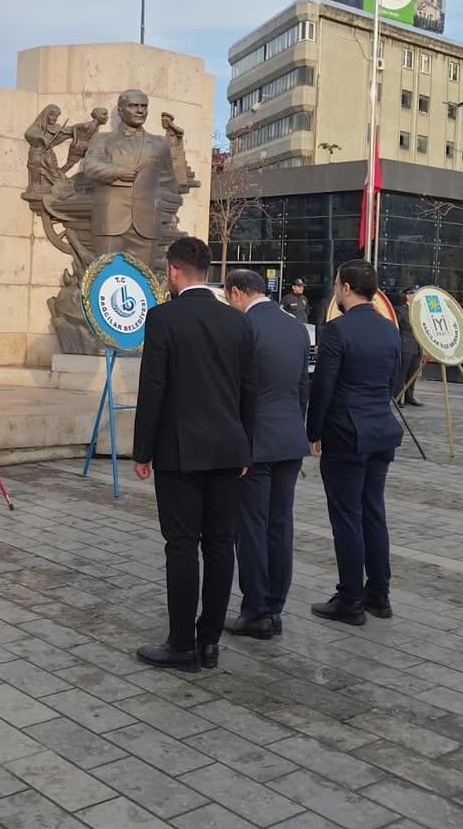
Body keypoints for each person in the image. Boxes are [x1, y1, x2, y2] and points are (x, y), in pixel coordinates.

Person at [132, 236, 259, 672]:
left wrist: (142, 450)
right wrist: (247, 446)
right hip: (228, 450)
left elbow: (154, 387)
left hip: (179, 451)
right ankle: (209, 643)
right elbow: (249, 390)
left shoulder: (163, 318)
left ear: (173, 271)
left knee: (182, 546)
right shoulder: (238, 322)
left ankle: (181, 644)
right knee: (221, 545)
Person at [307, 259, 403, 625]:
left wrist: (313, 432)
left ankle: (349, 600)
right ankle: (378, 594)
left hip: (346, 433)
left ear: (346, 288)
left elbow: (323, 386)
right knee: (373, 511)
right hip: (381, 430)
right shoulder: (390, 330)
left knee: (347, 517)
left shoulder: (335, 331)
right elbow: (393, 383)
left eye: (336, 284)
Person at [223, 269, 310, 639]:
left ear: (238, 292)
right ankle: (275, 605)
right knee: (280, 524)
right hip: (290, 439)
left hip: (256, 442)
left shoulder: (244, 327)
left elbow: (234, 390)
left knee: (252, 527)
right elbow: (303, 386)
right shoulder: (295, 326)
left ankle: (256, 609)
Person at [83, 90, 178, 268]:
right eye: (134, 106)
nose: (140, 110)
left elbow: (169, 183)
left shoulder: (158, 144)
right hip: (110, 221)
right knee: (104, 277)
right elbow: (90, 167)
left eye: (144, 106)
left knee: (143, 281)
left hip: (147, 224)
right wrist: (117, 171)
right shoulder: (102, 139)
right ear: (120, 111)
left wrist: (162, 211)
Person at [23, 104, 70, 192]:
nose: (54, 118)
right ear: (46, 115)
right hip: (37, 153)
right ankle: (36, 187)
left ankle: (56, 185)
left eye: (56, 116)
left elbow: (66, 133)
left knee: (54, 170)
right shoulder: (36, 126)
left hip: (48, 154)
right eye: (52, 115)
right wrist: (42, 138)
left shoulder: (56, 127)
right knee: (37, 165)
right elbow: (28, 133)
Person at [395, 287, 422, 407]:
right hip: (405, 346)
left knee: (413, 373)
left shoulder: (420, 310)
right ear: (408, 296)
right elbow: (397, 328)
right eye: (413, 294)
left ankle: (409, 397)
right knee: (402, 374)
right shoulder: (400, 311)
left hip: (417, 346)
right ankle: (398, 397)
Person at [61, 106, 109, 173]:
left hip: (85, 147)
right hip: (78, 147)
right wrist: (75, 140)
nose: (107, 117)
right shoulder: (89, 125)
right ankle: (58, 175)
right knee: (70, 164)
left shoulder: (95, 127)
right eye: (104, 114)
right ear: (97, 116)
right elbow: (75, 127)